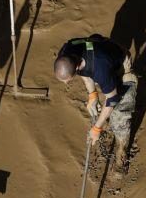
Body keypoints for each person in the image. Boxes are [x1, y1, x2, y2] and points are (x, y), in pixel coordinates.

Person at [54, 35, 137, 172]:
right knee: (101, 100)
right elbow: (84, 72)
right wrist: (92, 95)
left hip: (120, 64)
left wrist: (97, 128)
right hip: (100, 51)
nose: (66, 83)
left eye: (68, 80)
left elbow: (112, 99)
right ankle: (104, 117)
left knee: (120, 112)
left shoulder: (100, 69)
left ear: (77, 65)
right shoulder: (67, 51)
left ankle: (122, 150)